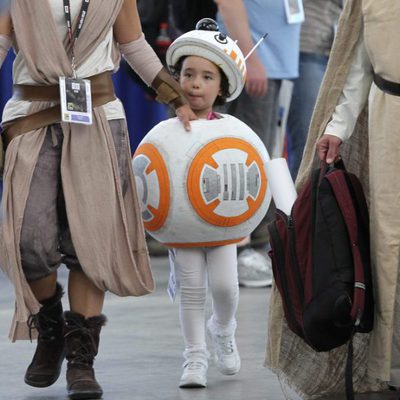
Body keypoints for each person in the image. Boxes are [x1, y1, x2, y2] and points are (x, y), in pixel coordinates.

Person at [0, 1, 196, 399]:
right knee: (28, 242)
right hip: (31, 116)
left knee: (90, 242)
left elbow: (135, 45)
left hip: (99, 118)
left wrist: (175, 96)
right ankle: (52, 325)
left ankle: (80, 359)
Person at [266, 0, 400, 396]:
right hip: (388, 115)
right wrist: (339, 126)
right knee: (387, 243)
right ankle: (383, 362)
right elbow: (358, 65)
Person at [164, 19, 246, 389]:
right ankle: (194, 356)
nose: (195, 83)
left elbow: (250, 174)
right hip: (183, 226)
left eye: (207, 77)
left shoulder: (231, 131)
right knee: (192, 288)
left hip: (221, 225)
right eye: (188, 74)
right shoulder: (164, 135)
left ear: (223, 86)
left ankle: (223, 327)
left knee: (226, 288)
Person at [215, 0, 301, 287]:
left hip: (272, 62)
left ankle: (245, 243)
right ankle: (237, 248)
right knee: (242, 159)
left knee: (258, 156)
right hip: (252, 60)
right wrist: (250, 57)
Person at [286, 0, 342, 180]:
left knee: (326, 139)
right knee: (307, 141)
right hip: (306, 51)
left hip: (337, 55)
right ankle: (297, 203)